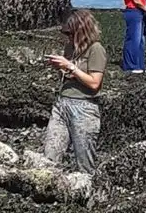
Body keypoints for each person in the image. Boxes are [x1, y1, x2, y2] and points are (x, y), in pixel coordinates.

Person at [45, 9, 106, 170]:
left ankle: (88, 191)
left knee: (84, 162)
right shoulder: (69, 47)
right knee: (50, 156)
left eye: (71, 33)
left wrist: (70, 67)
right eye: (66, 33)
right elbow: (70, 76)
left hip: (84, 107)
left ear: (82, 31)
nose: (69, 37)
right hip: (61, 103)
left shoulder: (96, 49)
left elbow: (94, 83)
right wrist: (60, 68)